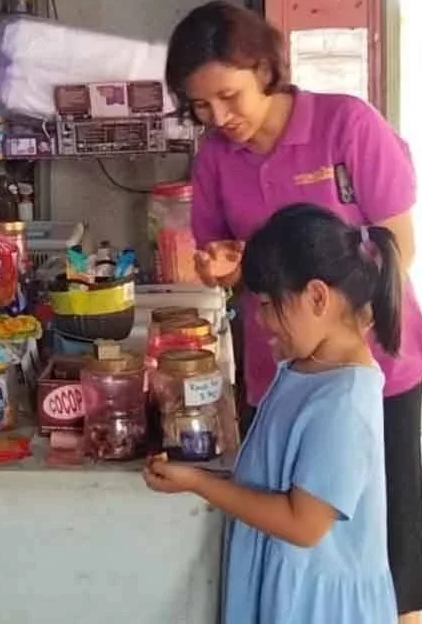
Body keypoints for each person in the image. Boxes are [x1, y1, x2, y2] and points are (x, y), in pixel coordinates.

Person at [165, 1, 422, 622]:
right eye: (201, 107)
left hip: (370, 363)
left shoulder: (346, 125)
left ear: (265, 69)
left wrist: (342, 340)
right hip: (281, 368)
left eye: (229, 97)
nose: (219, 118)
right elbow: (225, 257)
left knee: (388, 538)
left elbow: (400, 248)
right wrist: (222, 270)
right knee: (290, 521)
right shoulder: (215, 157)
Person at [144, 203, 401, 623]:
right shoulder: (306, 368)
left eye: (268, 304)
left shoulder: (345, 401)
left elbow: (304, 524)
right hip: (286, 585)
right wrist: (208, 476)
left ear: (317, 296)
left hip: (317, 606)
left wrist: (198, 483)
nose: (262, 321)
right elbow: (275, 476)